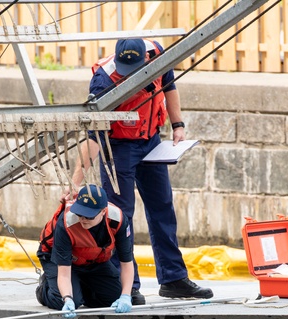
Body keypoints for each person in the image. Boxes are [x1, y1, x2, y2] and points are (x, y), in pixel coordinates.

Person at [71, 38, 213, 302]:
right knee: (119, 216)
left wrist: (178, 124)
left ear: (146, 60)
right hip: (118, 148)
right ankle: (127, 286)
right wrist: (74, 183)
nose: (129, 75)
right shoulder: (103, 81)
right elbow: (93, 136)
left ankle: (173, 278)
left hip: (151, 141)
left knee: (163, 207)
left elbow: (169, 86)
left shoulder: (158, 54)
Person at [35, 184, 135, 318]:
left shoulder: (118, 220)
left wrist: (126, 296)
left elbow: (126, 263)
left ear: (103, 211)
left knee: (113, 299)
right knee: (65, 301)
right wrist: (68, 298)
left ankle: (79, 286)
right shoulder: (66, 222)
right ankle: (45, 289)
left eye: (89, 216)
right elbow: (64, 273)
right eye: (80, 214)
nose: (83, 219)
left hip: (92, 260)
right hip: (60, 260)